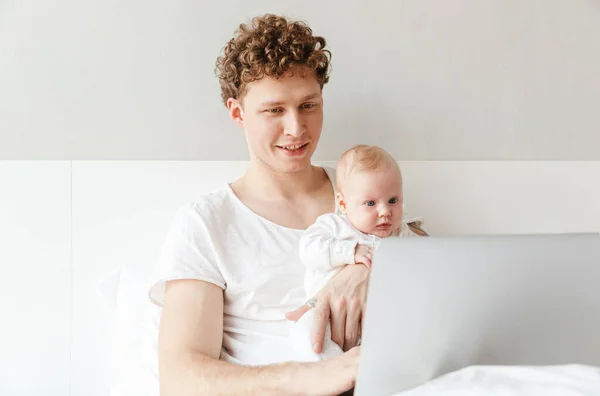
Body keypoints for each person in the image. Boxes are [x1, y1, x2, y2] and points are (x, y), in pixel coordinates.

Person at [147, 14, 427, 395]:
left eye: (308, 105)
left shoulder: (364, 190)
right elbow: (182, 379)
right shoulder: (206, 223)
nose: (296, 129)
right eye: (274, 110)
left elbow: (430, 263)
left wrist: (363, 270)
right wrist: (315, 376)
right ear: (237, 113)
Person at [289, 145, 426, 362]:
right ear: (343, 204)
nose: (385, 211)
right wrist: (349, 252)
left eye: (393, 200)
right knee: (305, 335)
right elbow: (309, 249)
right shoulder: (334, 226)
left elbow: (425, 257)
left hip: (382, 319)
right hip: (329, 315)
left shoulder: (400, 232)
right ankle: (339, 372)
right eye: (370, 203)